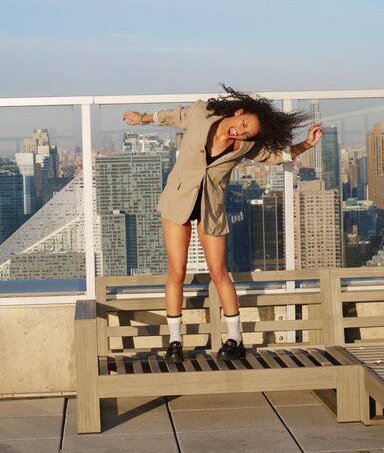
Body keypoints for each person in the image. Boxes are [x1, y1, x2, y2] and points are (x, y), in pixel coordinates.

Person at [122, 86, 323, 362]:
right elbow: (171, 116)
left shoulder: (246, 146)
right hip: (177, 199)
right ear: (238, 111)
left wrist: (307, 144)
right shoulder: (201, 112)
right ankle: (175, 341)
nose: (239, 132)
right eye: (242, 124)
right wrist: (142, 118)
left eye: (246, 132)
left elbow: (278, 157)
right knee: (177, 272)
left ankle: (235, 339)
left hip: (211, 208)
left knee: (219, 272)